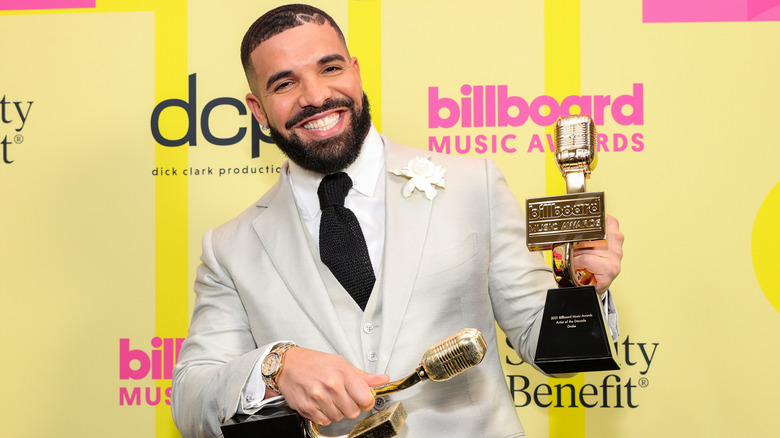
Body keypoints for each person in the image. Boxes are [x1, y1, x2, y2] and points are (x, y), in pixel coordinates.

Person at [171, 4, 624, 438]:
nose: (316, 96)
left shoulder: (473, 186)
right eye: (285, 84)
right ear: (257, 109)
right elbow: (193, 402)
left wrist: (584, 289)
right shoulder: (229, 247)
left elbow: (559, 352)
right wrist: (276, 366)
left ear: (355, 71)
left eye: (330, 69)